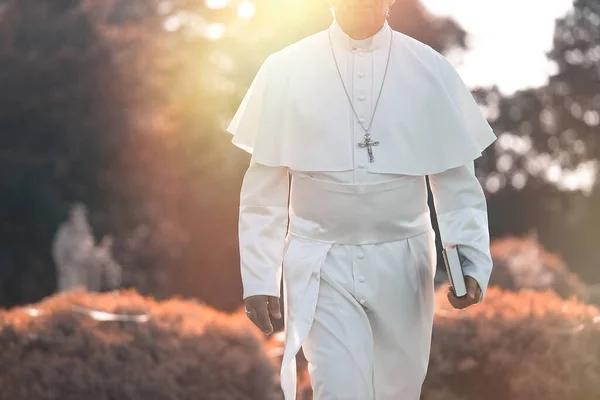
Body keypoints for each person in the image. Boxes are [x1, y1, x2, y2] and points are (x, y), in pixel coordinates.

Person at [226, 0, 497, 399]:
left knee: (397, 392)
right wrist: (260, 276)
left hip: (404, 262)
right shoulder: (285, 68)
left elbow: (455, 180)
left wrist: (470, 258)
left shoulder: (429, 68)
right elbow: (263, 189)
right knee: (337, 389)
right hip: (322, 260)